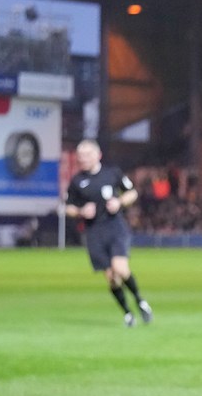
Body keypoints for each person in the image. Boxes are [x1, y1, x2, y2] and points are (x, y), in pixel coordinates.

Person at [63, 140, 153, 327]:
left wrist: (119, 202)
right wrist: (81, 212)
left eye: (87, 155)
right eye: (80, 156)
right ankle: (128, 313)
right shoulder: (77, 181)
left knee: (120, 267)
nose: (83, 159)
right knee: (112, 277)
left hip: (115, 227)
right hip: (94, 232)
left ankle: (140, 301)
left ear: (98, 155)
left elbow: (132, 193)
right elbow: (68, 207)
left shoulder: (112, 173)